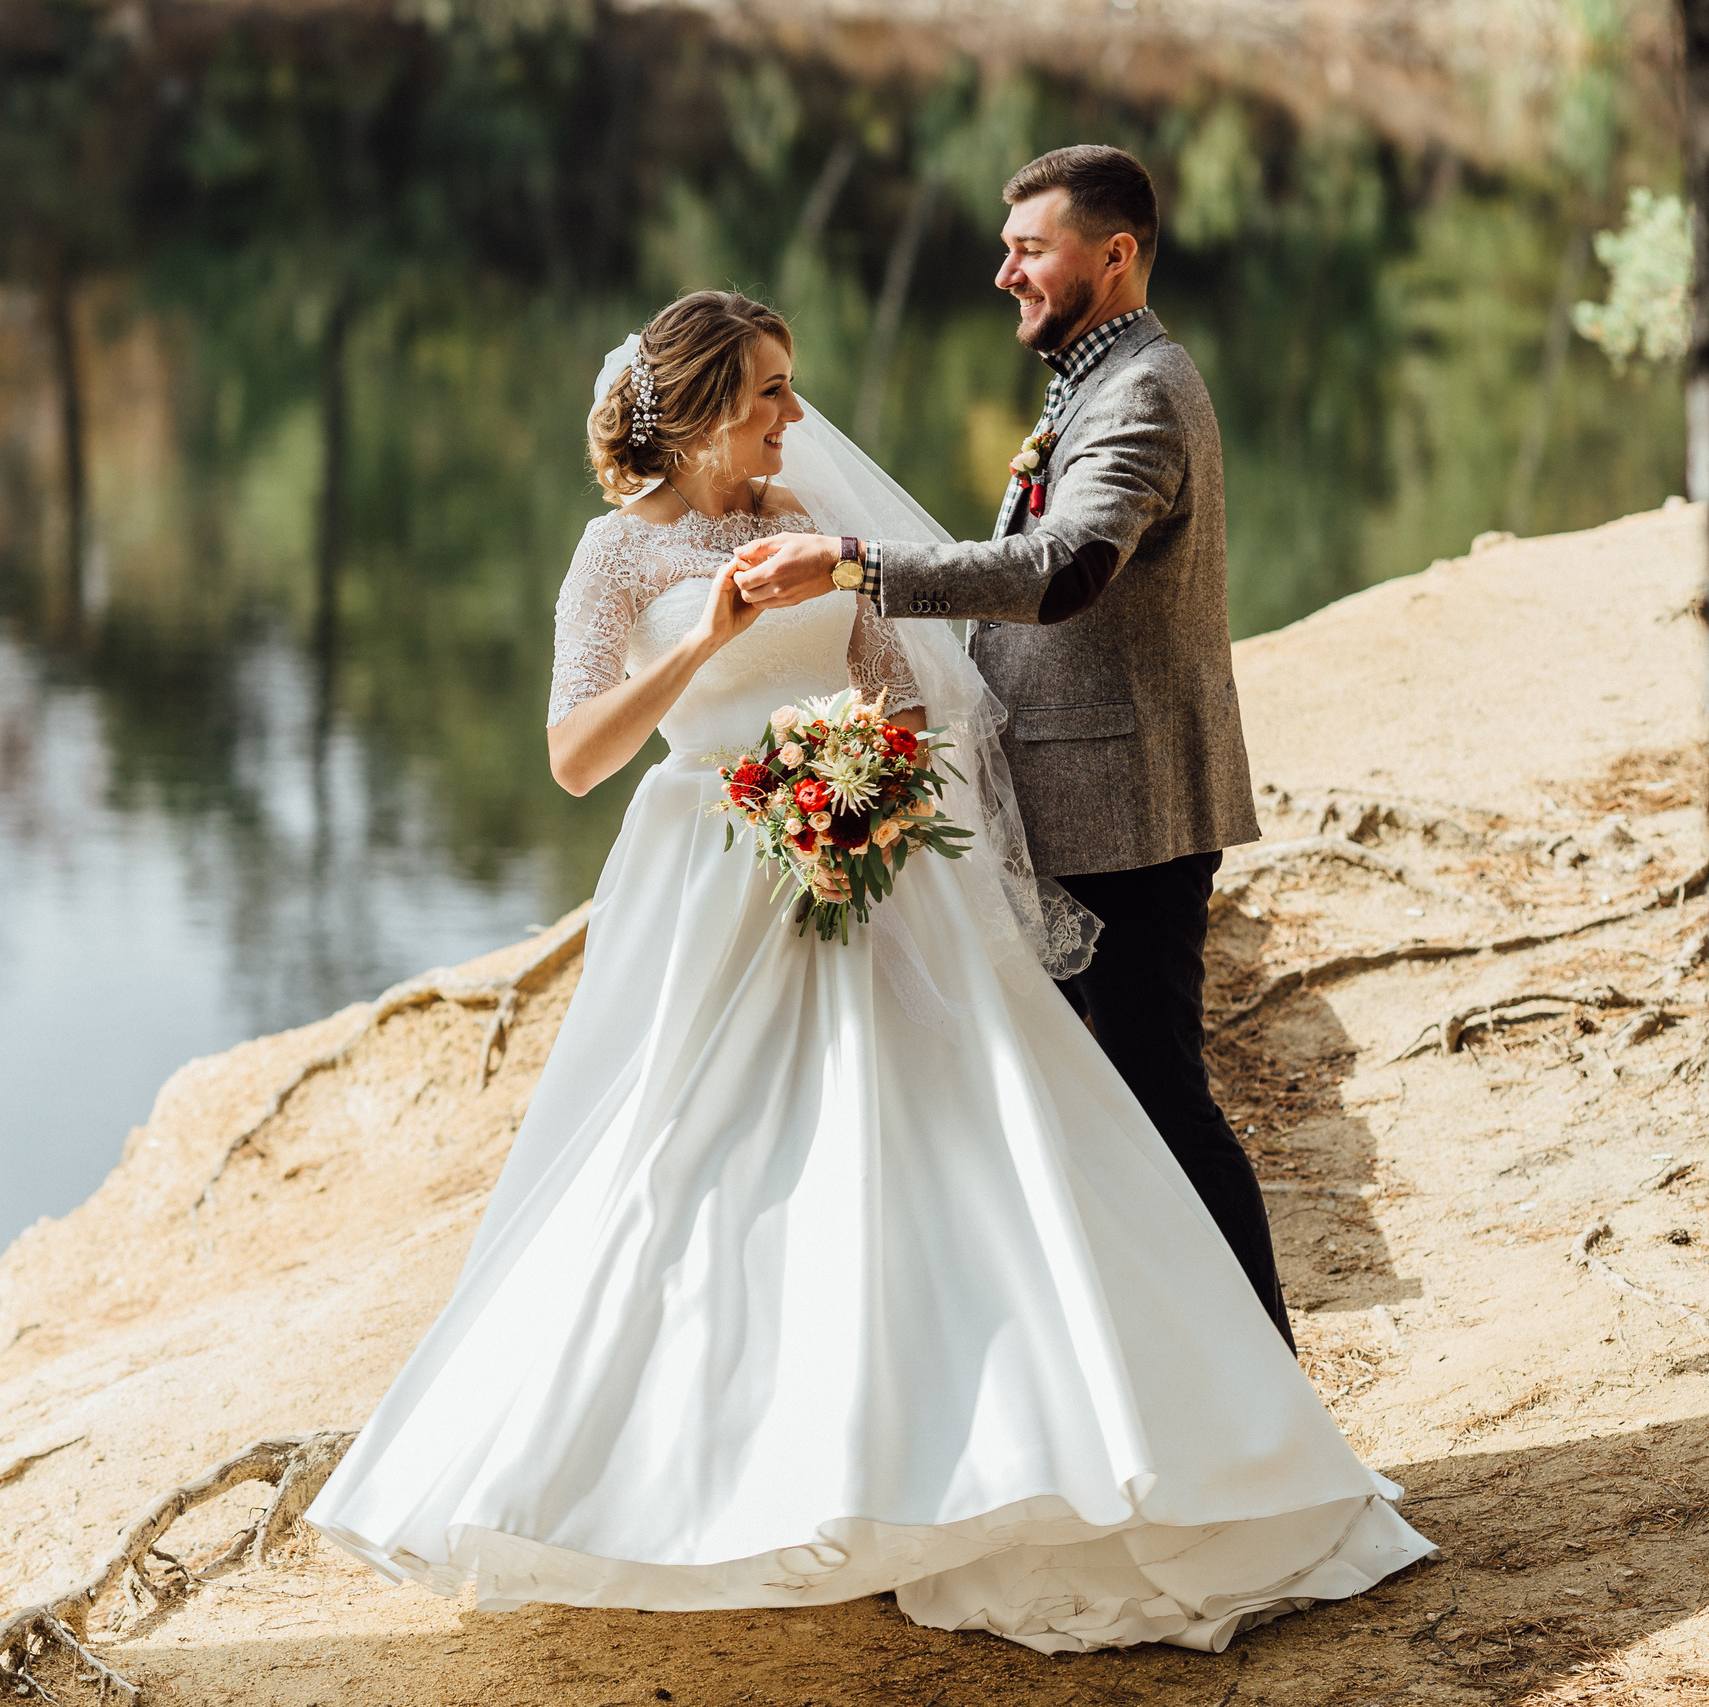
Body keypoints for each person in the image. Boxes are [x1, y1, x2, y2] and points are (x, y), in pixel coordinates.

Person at [303, 286, 1432, 1654]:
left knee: (940, 1146)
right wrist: (713, 644)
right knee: (692, 1162)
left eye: (790, 385)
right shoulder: (612, 556)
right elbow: (577, 754)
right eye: (772, 389)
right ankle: (714, 1477)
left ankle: (976, 1463)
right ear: (710, 404)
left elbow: (900, 688)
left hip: (863, 865)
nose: (795, 413)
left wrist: (870, 778)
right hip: (706, 880)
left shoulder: (803, 531)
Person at [729, 145, 1290, 1343]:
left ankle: (1274, 1401)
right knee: (1090, 1102)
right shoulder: (1092, 378)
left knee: (1158, 1098)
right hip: (1076, 800)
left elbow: (1064, 571)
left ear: (1115, 254)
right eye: (1007, 249)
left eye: (1029, 249)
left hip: (1127, 812)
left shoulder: (1140, 388)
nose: (1004, 273)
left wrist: (850, 567)